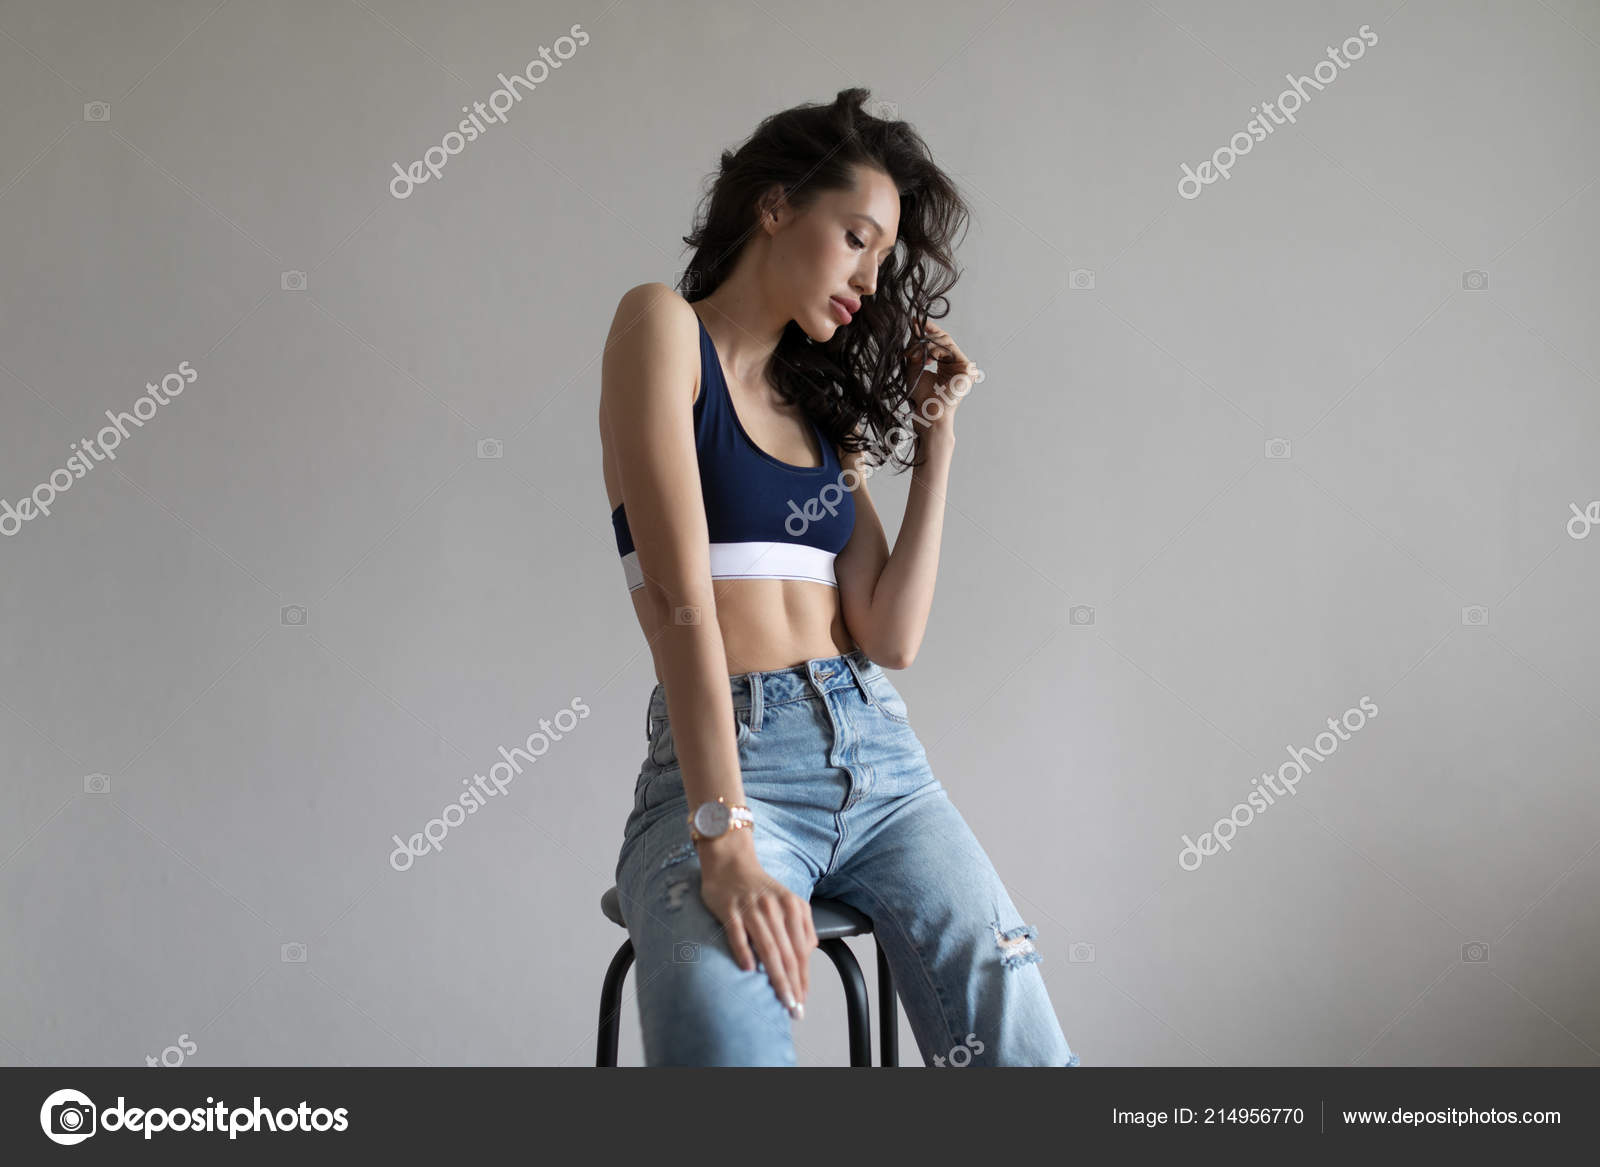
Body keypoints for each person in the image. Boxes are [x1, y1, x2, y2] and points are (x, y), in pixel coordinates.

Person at [597, 87, 1079, 1067]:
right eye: (856, 235)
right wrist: (721, 837)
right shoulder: (661, 328)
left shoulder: (815, 418)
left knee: (1024, 1052)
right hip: (733, 766)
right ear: (775, 208)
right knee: (722, 1048)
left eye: (883, 255)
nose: (869, 274)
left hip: (880, 760)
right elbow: (683, 608)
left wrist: (937, 443)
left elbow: (889, 637)